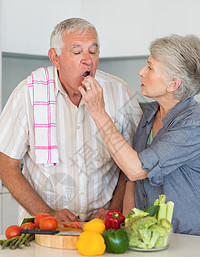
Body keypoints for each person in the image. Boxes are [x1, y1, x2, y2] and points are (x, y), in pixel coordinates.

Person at [0, 18, 142, 224]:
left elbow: (131, 165)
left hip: (104, 226)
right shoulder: (28, 93)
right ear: (55, 58)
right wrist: (47, 213)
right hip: (44, 227)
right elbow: (6, 165)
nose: (88, 60)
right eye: (77, 52)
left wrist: (114, 208)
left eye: (93, 51)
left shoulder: (119, 92)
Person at [79, 34, 200, 235]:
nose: (141, 72)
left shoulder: (193, 124)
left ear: (173, 84)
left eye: (150, 68)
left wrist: (98, 112)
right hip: (149, 237)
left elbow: (137, 169)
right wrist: (128, 225)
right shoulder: (151, 112)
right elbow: (131, 178)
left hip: (187, 239)